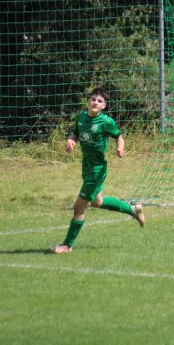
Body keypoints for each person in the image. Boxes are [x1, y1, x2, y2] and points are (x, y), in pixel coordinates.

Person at [49, 86, 145, 254]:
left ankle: (67, 245)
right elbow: (76, 133)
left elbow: (119, 136)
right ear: (88, 101)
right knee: (97, 202)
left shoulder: (106, 122)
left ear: (104, 106)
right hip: (86, 166)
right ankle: (133, 210)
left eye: (100, 101)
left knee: (79, 206)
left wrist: (120, 148)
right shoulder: (81, 117)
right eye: (93, 99)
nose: (95, 102)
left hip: (97, 169)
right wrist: (71, 141)